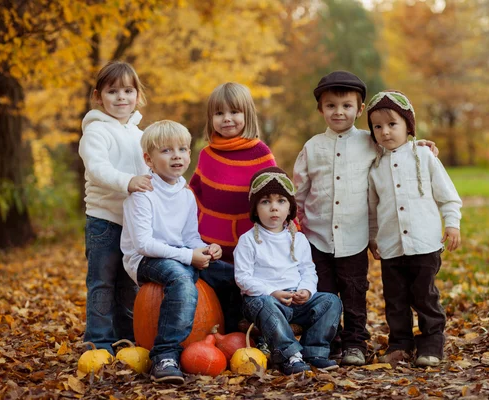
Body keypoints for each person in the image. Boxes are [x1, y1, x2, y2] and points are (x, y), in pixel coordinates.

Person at [293, 70, 438, 366]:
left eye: (347, 105)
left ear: (359, 110)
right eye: (331, 105)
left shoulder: (370, 142)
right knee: (324, 293)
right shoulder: (312, 147)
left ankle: (355, 342)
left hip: (355, 236)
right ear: (320, 108)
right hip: (317, 236)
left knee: (355, 292)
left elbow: (397, 150)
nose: (339, 112)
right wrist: (293, 228)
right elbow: (299, 192)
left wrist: (421, 146)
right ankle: (328, 342)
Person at [120, 120, 237, 383]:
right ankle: (164, 355)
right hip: (145, 260)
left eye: (183, 149)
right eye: (167, 150)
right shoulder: (142, 194)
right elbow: (144, 244)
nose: (177, 156)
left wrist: (205, 249)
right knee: (182, 279)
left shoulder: (185, 194)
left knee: (232, 276)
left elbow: (188, 237)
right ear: (148, 159)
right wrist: (188, 256)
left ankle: (230, 339)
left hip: (179, 254)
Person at [366, 90, 462, 367]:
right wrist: (373, 237)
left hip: (424, 243)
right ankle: (400, 343)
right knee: (395, 299)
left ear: (408, 125)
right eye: (378, 126)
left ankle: (431, 343)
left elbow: (448, 196)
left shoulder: (425, 157)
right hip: (391, 246)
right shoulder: (374, 167)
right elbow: (372, 208)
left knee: (425, 296)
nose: (385, 132)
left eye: (392, 124)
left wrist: (452, 224)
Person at [234, 167, 342, 375]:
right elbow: (243, 277)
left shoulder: (297, 238)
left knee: (331, 301)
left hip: (296, 299)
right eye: (266, 202)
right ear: (255, 209)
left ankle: (315, 351)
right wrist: (271, 292)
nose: (274, 208)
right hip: (264, 300)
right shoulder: (248, 240)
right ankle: (289, 354)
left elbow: (308, 270)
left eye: (281, 201)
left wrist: (306, 291)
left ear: (289, 208)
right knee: (264, 303)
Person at [188, 82, 276, 335]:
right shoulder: (207, 155)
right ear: (211, 118)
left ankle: (251, 341)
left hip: (250, 249)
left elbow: (275, 196)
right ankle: (218, 342)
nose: (227, 119)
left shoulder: (260, 153)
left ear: (247, 114)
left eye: (234, 112)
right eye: (219, 113)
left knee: (247, 303)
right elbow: (193, 195)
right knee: (218, 306)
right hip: (214, 250)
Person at [79, 61, 153, 355]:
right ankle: (98, 342)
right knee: (102, 283)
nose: (121, 97)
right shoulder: (96, 132)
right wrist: (128, 181)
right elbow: (98, 169)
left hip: (134, 224)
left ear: (137, 94)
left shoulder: (139, 134)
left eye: (128, 90)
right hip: (104, 221)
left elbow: (152, 167)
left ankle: (128, 340)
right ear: (99, 96)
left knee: (129, 285)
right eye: (113, 91)